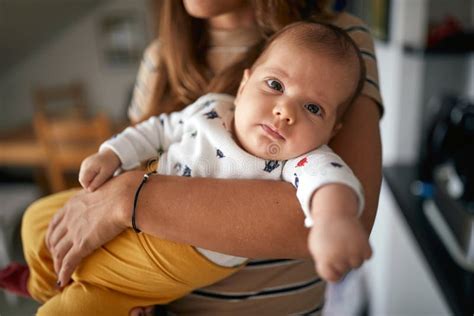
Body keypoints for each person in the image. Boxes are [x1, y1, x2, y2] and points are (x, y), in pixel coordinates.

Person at [2, 1, 383, 314]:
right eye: (275, 85)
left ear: (331, 128)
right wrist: (112, 154)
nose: (285, 111)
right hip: (156, 298)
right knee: (36, 221)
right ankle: (41, 284)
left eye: (313, 108)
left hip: (224, 289)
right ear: (245, 81)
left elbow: (338, 200)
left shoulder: (334, 52)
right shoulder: (193, 89)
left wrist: (132, 197)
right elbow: (156, 130)